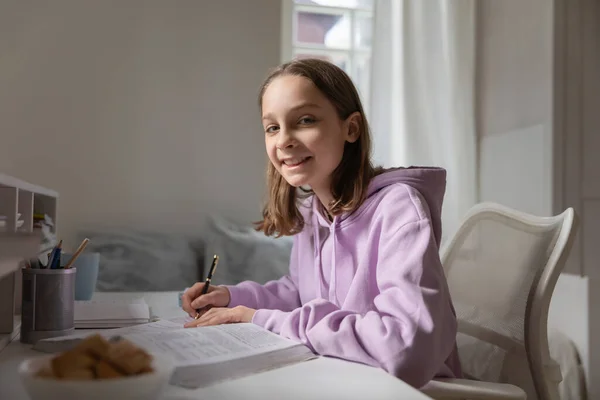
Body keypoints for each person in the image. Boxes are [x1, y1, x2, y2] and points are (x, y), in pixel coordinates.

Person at [181, 58, 462, 387]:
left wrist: (261, 320)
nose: (283, 140)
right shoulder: (315, 212)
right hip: (340, 376)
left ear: (351, 128)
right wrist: (233, 299)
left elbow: (403, 346)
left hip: (411, 390)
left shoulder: (398, 208)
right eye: (272, 127)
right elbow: (299, 293)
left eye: (304, 120)